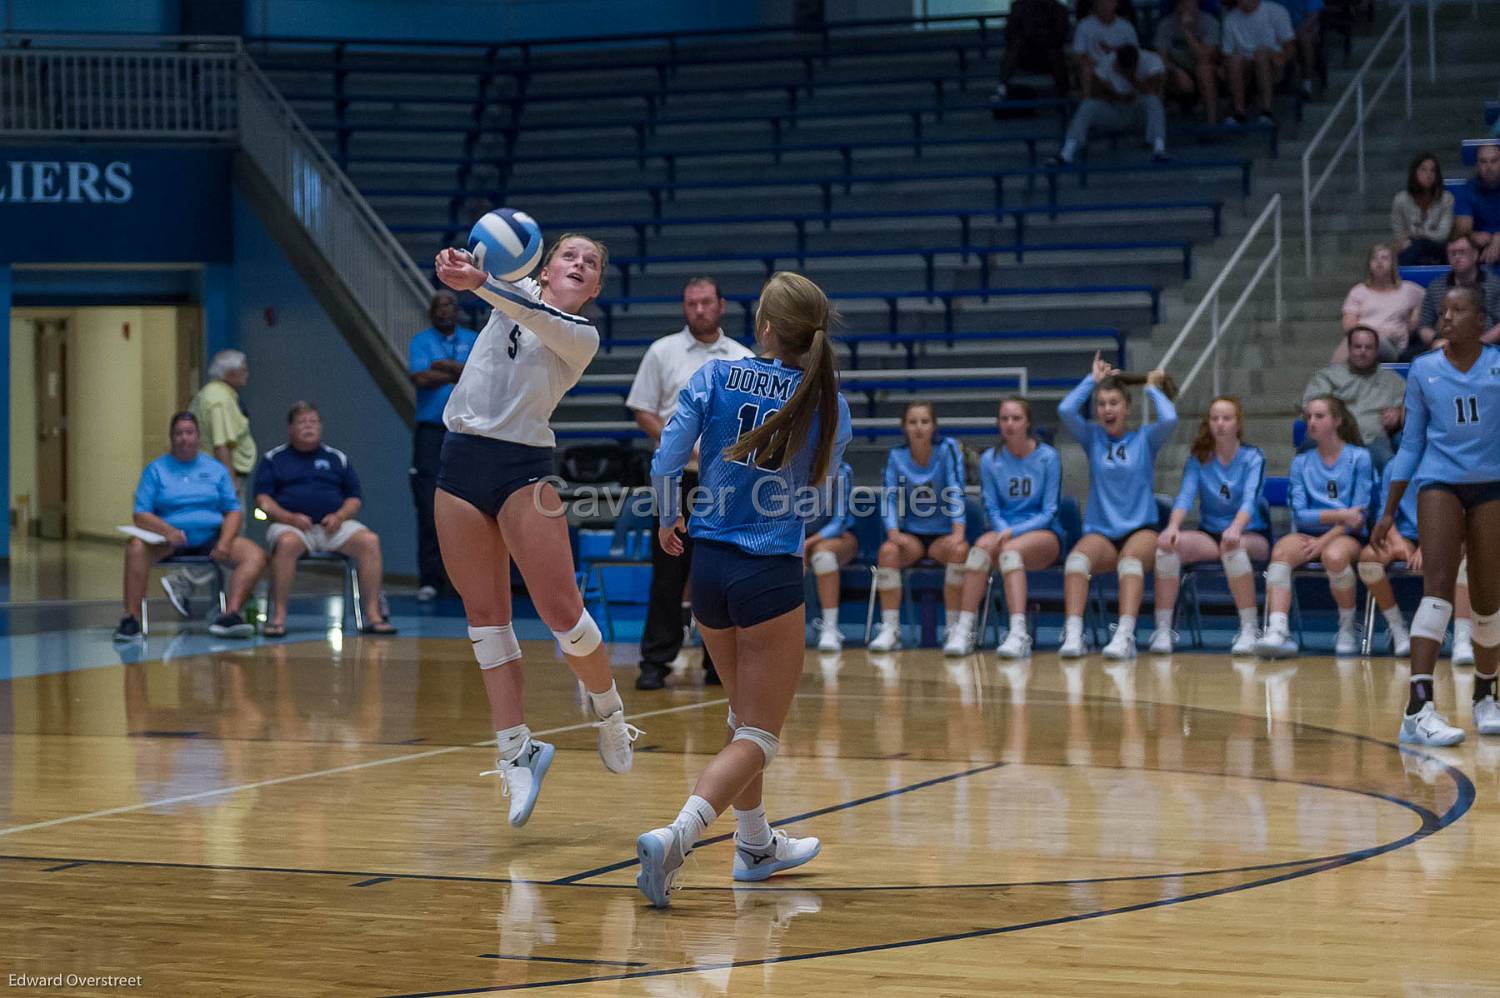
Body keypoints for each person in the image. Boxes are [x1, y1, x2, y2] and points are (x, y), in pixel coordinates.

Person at [633, 270, 852, 908]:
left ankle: (755, 846)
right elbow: (823, 491)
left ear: (763, 327)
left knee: (741, 717)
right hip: (767, 573)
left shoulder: (715, 375)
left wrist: (668, 512)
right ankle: (677, 837)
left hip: (707, 569)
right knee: (759, 734)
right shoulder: (826, 399)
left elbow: (668, 453)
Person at [431, 232, 640, 828]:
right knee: (487, 623)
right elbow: (484, 273)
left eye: (591, 263)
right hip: (460, 462)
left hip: (524, 470)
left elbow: (522, 308)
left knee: (565, 618)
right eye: (569, 256)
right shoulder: (511, 287)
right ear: (544, 267)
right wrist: (459, 263)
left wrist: (482, 284)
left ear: (595, 288)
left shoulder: (580, 336)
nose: (579, 265)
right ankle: (516, 750)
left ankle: (608, 711)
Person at [1374, 284, 1500, 746]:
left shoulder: (1497, 366)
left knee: (1488, 600)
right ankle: (1418, 708)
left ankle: (1487, 696)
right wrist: (1388, 511)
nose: (1446, 317)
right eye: (1442, 310)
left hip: (1492, 485)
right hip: (1440, 483)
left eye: (1458, 310)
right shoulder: (1424, 370)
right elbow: (1410, 446)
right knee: (1438, 589)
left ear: (1481, 320)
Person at [627, 276, 754, 690]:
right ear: (684, 308)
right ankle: (655, 661)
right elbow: (643, 410)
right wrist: (680, 443)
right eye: (691, 304)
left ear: (721, 305)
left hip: (725, 481)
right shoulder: (661, 352)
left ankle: (720, 665)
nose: (698, 310)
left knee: (720, 572)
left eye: (705, 303)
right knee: (668, 571)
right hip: (675, 478)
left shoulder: (742, 357)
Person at [1056, 353, 1178, 660]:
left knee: (1131, 562)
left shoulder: (1145, 439)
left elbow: (1170, 419)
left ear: (1126, 408)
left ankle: (1125, 635)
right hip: (1102, 532)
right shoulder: (1092, 436)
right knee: (1075, 562)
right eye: (1101, 403)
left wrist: (1151, 387)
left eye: (1114, 403)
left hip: (1141, 528)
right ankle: (1073, 635)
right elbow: (1065, 409)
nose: (1107, 409)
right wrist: (1091, 381)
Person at [114, 412, 267, 641]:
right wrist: (168, 531)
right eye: (178, 433)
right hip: (168, 541)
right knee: (135, 548)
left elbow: (233, 511)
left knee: (255, 555)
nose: (184, 438)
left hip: (211, 538)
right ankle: (131, 620)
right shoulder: (156, 470)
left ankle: (231, 614)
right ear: (171, 438)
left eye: (189, 433)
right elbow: (141, 514)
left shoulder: (216, 470)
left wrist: (225, 542)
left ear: (198, 437)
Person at [253, 402, 398, 638]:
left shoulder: (336, 458)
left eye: (313, 421)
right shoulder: (274, 459)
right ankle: (278, 617)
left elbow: (354, 498)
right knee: (287, 543)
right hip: (291, 526)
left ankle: (373, 615)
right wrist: (289, 517)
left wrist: (340, 516)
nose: (308, 426)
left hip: (333, 526)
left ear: (321, 426)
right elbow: (263, 500)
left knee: (369, 541)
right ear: (290, 428)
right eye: (302, 422)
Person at [1255, 395, 1373, 659]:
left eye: (1319, 416)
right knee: (1281, 553)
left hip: (1346, 536)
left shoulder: (1360, 458)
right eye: (1309, 416)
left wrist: (1326, 539)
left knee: (1334, 555)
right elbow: (1301, 514)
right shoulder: (1301, 462)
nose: (1312, 421)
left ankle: (1346, 627)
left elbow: (1359, 517)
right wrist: (1341, 513)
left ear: (1337, 420)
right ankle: (1278, 630)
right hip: (1311, 533)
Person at [944, 397, 1063, 659]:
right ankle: (965, 630)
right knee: (978, 551)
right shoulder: (990, 460)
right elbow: (992, 508)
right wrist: (1002, 530)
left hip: (1043, 533)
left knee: (1009, 552)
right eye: (1004, 419)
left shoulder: (1048, 457)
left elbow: (1049, 511)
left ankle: (1019, 633)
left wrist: (1011, 533)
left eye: (1016, 418)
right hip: (1003, 531)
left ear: (1028, 422)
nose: (1009, 424)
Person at [1153, 396, 1269, 655]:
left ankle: (1250, 629)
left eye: (1226, 418)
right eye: (1214, 418)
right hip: (1211, 532)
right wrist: (1172, 527)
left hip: (1250, 534)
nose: (1220, 424)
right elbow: (1184, 496)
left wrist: (1237, 528)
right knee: (1167, 548)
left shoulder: (1253, 457)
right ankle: (1163, 629)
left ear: (1238, 423)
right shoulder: (1199, 458)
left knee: (1232, 549)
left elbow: (1250, 501)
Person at [868, 402, 970, 653]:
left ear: (934, 425)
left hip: (943, 534)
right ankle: (891, 629)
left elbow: (956, 489)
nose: (919, 427)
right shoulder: (896, 456)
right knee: (888, 552)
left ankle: (954, 629)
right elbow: (888, 497)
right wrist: (893, 532)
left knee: (960, 551)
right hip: (912, 534)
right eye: (913, 422)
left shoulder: (947, 450)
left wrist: (958, 530)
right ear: (904, 427)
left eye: (924, 421)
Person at [165, 349, 258, 618]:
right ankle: (189, 583)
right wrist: (229, 480)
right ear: (230, 373)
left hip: (214, 478)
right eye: (243, 369)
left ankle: (227, 601)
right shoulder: (219, 400)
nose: (247, 374)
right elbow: (221, 443)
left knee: (223, 537)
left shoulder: (215, 394)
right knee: (229, 537)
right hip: (222, 479)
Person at [408, 290, 479, 602]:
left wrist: (444, 367)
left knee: (472, 506)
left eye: (450, 305)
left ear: (458, 310)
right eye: (438, 306)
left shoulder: (475, 338)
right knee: (427, 506)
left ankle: (466, 581)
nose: (444, 311)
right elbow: (421, 379)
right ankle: (431, 580)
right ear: (431, 312)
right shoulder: (420, 341)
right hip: (431, 433)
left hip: (468, 432)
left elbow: (478, 377)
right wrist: (457, 371)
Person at [1301, 326, 1406, 470]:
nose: (1363, 352)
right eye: (1358, 347)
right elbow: (1310, 408)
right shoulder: (1327, 376)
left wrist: (1399, 413)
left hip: (1373, 440)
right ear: (1349, 349)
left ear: (1376, 351)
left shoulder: (1394, 381)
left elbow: (1414, 408)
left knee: (1389, 466)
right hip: (1332, 438)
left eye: (1368, 347)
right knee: (1308, 451)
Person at [1049, 45, 1169, 166]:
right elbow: (1094, 92)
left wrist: (1130, 78)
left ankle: (1159, 149)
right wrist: (1116, 97)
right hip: (1115, 111)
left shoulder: (1152, 60)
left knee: (1153, 100)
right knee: (1088, 105)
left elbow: (1153, 90)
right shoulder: (1106, 62)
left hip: (1139, 114)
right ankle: (1067, 153)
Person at [1336, 244, 1423, 362]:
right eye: (1374, 258)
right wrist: (1370, 334)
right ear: (1369, 264)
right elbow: (1349, 326)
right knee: (1356, 342)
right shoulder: (1358, 291)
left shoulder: (1409, 289)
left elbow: (1433, 302)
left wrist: (1412, 324)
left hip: (1393, 345)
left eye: (1384, 258)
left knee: (1372, 342)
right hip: (1363, 339)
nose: (1379, 262)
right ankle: (1333, 376)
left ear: (1393, 264)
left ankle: (1331, 378)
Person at [1413, 234, 1500, 351]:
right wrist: (1436, 341)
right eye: (1452, 253)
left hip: (1485, 346)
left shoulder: (1494, 284)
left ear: (1475, 255)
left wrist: (1479, 343)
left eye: (1462, 252)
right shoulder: (1435, 286)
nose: (1457, 257)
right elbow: (1424, 325)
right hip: (1442, 347)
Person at [805, 459, 856, 654]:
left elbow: (839, 522)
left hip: (837, 537)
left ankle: (830, 627)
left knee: (823, 556)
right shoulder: (791, 467)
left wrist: (806, 544)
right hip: (798, 535)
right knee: (782, 559)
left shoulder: (841, 469)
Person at [1220, 0, 1294, 125]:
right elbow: (1227, 53)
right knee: (1234, 60)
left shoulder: (1276, 11)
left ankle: (1267, 111)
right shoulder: (1230, 19)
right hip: (1246, 67)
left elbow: (1290, 47)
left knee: (1261, 54)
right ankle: (1239, 112)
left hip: (1273, 63)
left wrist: (1281, 59)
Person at [1154, 0, 1222, 123]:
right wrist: (1176, 70)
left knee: (1204, 69)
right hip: (1178, 72)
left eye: (1190, 2)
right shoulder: (1165, 24)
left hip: (1207, 70)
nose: (1186, 7)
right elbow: (1161, 59)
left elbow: (1205, 57)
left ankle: (1212, 121)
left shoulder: (1209, 22)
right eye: (1182, 3)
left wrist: (1188, 32)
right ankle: (1157, 123)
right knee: (1160, 71)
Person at [992, 0, 1071, 101]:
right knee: (1015, 46)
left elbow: (1059, 37)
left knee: (1055, 54)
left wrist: (1037, 34)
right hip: (1026, 54)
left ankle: (1063, 96)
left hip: (1048, 54)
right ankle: (1001, 87)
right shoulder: (1019, 7)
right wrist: (1031, 33)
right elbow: (1010, 35)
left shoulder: (1059, 10)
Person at [1392, 153, 1455, 267]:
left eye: (1432, 171)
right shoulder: (1400, 200)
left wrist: (1417, 235)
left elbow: (1442, 234)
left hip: (1438, 248)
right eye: (1423, 170)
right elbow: (1400, 236)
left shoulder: (1447, 198)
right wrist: (1412, 239)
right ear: (1414, 173)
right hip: (1410, 248)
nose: (1428, 175)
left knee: (1419, 245)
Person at [1070, 0, 1139, 101]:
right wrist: (1098, 65)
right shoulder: (1084, 25)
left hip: (1120, 68)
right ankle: (1087, 105)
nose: (1105, 6)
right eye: (1101, 2)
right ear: (1095, 4)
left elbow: (1135, 53)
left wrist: (1118, 66)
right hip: (1095, 69)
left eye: (1108, 2)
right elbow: (1078, 55)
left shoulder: (1126, 26)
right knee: (1086, 69)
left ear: (1116, 4)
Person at [1454, 141, 1500, 268]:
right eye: (1484, 162)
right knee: (1462, 246)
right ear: (1477, 165)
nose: (1489, 166)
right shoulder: (1468, 190)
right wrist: (1472, 236)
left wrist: (1498, 237)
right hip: (1481, 246)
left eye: (1494, 161)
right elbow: (1463, 228)